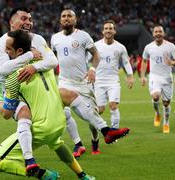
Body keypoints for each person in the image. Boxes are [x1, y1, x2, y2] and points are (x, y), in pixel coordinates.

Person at [0, 29, 95, 180]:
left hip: (40, 129)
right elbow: (53, 61)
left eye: (8, 49)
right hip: (59, 123)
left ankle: (42, 173)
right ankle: (83, 176)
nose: (5, 51)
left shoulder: (13, 77)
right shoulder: (45, 61)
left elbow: (6, 113)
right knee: (57, 143)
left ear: (19, 51)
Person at [51, 9, 130, 157]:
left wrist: (93, 69)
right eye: (63, 16)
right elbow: (53, 58)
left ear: (75, 20)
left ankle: (96, 140)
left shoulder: (83, 36)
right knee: (65, 114)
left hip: (83, 82)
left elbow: (96, 54)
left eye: (69, 16)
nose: (66, 18)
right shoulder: (54, 38)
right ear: (60, 20)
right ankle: (79, 144)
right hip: (64, 82)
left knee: (92, 114)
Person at [0, 7, 58, 173]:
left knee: (45, 111)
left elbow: (53, 61)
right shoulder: (0, 43)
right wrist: (29, 56)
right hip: (8, 87)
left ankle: (31, 161)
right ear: (11, 22)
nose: (28, 22)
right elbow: (5, 69)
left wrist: (34, 68)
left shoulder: (38, 39)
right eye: (23, 18)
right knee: (13, 113)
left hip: (29, 86)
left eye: (30, 19)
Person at [94, 20, 134, 131]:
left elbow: (126, 62)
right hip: (99, 81)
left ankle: (114, 130)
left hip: (113, 81)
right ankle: (100, 128)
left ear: (114, 31)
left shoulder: (120, 47)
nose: (108, 30)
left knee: (113, 105)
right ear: (102, 31)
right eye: (106, 28)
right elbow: (87, 60)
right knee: (100, 109)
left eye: (110, 28)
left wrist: (130, 75)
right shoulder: (96, 46)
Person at [140, 25, 175, 133]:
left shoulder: (171, 46)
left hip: (167, 77)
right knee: (155, 96)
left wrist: (172, 63)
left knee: (166, 103)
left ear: (163, 34)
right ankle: (157, 114)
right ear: (153, 34)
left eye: (160, 31)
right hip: (154, 76)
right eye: (156, 31)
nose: (158, 33)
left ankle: (166, 122)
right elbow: (144, 61)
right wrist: (143, 76)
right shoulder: (148, 47)